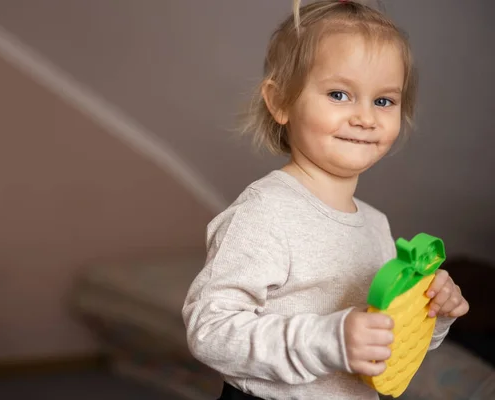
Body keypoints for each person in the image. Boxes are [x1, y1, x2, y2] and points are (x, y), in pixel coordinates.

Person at [181, 1, 470, 399]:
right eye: (339, 94)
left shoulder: (376, 224)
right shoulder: (264, 213)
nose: (365, 117)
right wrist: (330, 340)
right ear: (281, 101)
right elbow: (210, 332)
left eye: (383, 101)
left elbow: (384, 346)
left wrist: (430, 315)